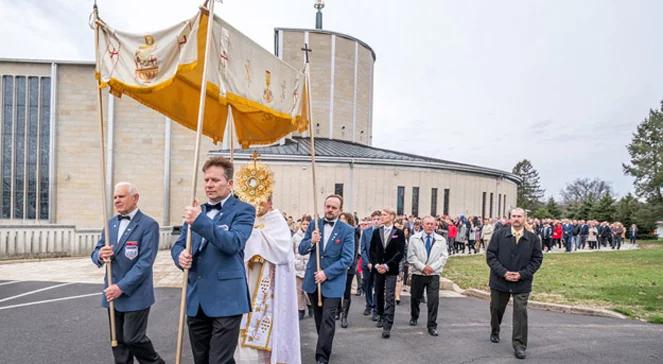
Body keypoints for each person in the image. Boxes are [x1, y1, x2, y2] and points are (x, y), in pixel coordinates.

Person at [171, 157, 255, 364]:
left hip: (227, 299)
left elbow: (233, 243)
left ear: (230, 184)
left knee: (219, 361)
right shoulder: (196, 211)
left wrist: (200, 220)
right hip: (196, 299)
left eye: (215, 180)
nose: (209, 185)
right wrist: (179, 256)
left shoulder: (243, 210)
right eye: (206, 180)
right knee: (202, 359)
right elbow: (179, 244)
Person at [90, 182, 165, 364]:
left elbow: (145, 263)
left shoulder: (148, 225)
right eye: (115, 197)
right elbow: (96, 251)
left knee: (133, 338)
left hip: (135, 293)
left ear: (135, 198)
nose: (117, 200)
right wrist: (100, 254)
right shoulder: (110, 224)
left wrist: (121, 287)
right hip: (112, 294)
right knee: (119, 345)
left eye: (121, 196)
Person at [236, 196, 300, 364]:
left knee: (266, 326)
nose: (256, 204)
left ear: (271, 201)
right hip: (246, 278)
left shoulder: (277, 221)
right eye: (252, 200)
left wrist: (256, 238)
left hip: (269, 283)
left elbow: (283, 251)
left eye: (260, 200)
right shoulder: (244, 219)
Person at [298, 195, 355, 364]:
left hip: (333, 281)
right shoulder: (314, 226)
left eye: (333, 207)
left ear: (340, 210)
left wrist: (326, 273)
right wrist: (311, 241)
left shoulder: (347, 231)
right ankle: (324, 343)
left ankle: (322, 357)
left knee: (328, 320)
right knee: (319, 319)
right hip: (314, 281)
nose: (329, 210)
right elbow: (301, 249)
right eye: (327, 206)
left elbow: (347, 259)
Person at [486, 207, 543, 360]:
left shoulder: (533, 239)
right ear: (509, 218)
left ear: (525, 218)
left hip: (522, 283)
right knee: (496, 308)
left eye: (520, 216)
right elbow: (491, 256)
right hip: (499, 280)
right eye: (514, 216)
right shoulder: (498, 235)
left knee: (520, 313)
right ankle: (495, 330)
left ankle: (519, 345)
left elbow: (537, 260)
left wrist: (522, 274)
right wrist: (504, 272)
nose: (517, 219)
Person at [407, 216, 449, 337]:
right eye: (428, 224)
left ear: (435, 225)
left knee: (433, 300)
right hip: (418, 273)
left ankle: (432, 325)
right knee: (415, 297)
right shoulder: (414, 238)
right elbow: (411, 256)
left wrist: (432, 268)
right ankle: (414, 316)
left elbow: (444, 257)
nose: (430, 226)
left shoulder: (441, 240)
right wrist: (423, 267)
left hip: (433, 274)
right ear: (422, 225)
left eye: (432, 224)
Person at [369, 208, 406, 339]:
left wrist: (387, 265)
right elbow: (372, 250)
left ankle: (387, 325)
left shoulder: (399, 233)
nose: (382, 217)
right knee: (378, 293)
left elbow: (400, 252)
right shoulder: (376, 232)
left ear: (392, 217)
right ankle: (380, 314)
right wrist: (376, 264)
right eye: (382, 215)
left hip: (391, 269)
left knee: (389, 296)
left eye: (384, 215)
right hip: (378, 268)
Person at [337, 212, 360, 328]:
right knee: (336, 289)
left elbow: (355, 251)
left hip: (349, 266)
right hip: (337, 265)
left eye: (344, 219)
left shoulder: (352, 233)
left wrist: (351, 264)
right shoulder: (336, 232)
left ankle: (344, 316)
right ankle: (338, 309)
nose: (342, 220)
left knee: (346, 291)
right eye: (340, 218)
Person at [361, 210, 381, 320]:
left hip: (378, 264)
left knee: (377, 287)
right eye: (374, 219)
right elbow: (363, 249)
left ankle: (376, 308)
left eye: (378, 219)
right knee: (368, 285)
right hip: (368, 264)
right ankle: (368, 304)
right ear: (371, 220)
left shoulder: (383, 232)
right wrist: (367, 262)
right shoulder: (366, 232)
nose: (376, 221)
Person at [293, 216, 313, 320]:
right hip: (298, 266)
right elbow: (292, 250)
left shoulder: (312, 236)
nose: (305, 226)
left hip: (308, 267)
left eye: (307, 224)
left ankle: (310, 305)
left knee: (307, 290)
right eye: (304, 224)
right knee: (298, 290)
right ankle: (300, 309)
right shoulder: (295, 237)